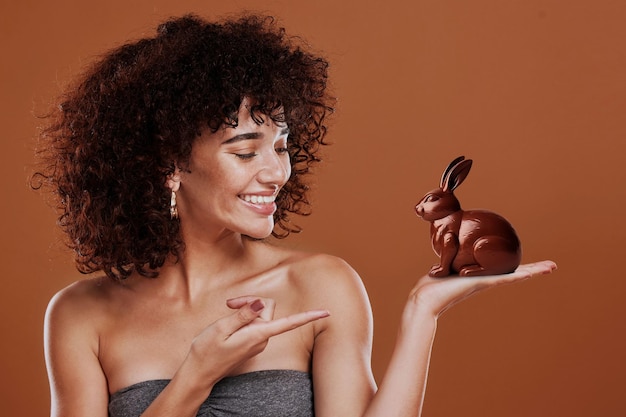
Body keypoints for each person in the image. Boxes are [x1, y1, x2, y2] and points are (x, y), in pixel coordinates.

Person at [33, 13, 556, 417]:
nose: (275, 172)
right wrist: (194, 379)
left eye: (280, 147)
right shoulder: (82, 315)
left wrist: (423, 312)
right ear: (170, 165)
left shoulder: (319, 285)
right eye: (244, 152)